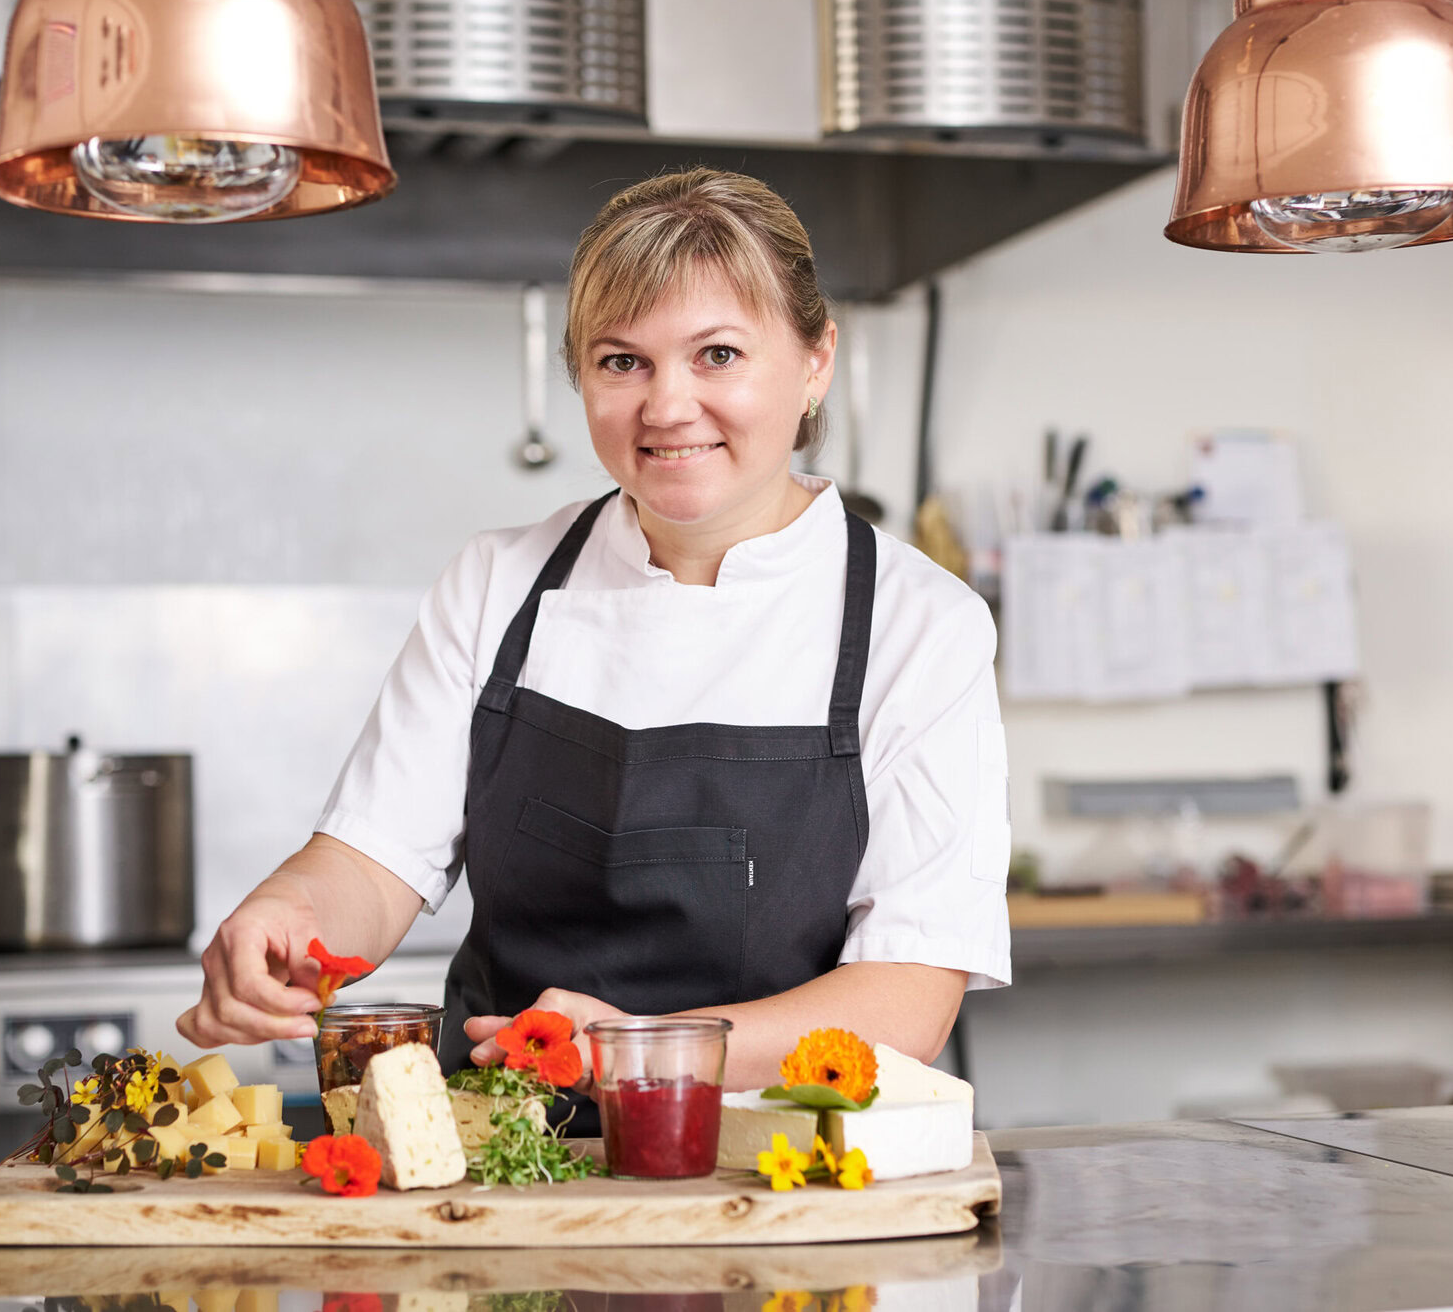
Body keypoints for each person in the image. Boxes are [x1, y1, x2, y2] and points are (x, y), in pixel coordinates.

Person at [178, 168, 1011, 1100]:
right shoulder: (502, 581)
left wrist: (646, 1048)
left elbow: (909, 1000)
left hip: (784, 1175)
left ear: (815, 360)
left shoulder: (920, 625)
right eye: (623, 362)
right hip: (501, 1162)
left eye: (719, 355)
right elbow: (371, 865)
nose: (666, 406)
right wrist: (286, 916)